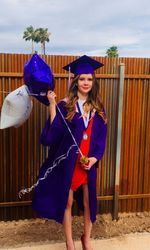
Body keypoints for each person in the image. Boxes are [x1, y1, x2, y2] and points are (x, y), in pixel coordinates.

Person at [32, 55, 107, 250]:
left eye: (89, 79)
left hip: (87, 163)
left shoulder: (98, 109)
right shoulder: (65, 106)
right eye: (82, 78)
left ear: (93, 81)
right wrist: (51, 106)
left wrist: (94, 158)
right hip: (69, 163)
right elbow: (51, 137)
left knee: (89, 202)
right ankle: (69, 242)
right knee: (68, 200)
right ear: (75, 81)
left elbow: (101, 139)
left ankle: (86, 239)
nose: (86, 82)